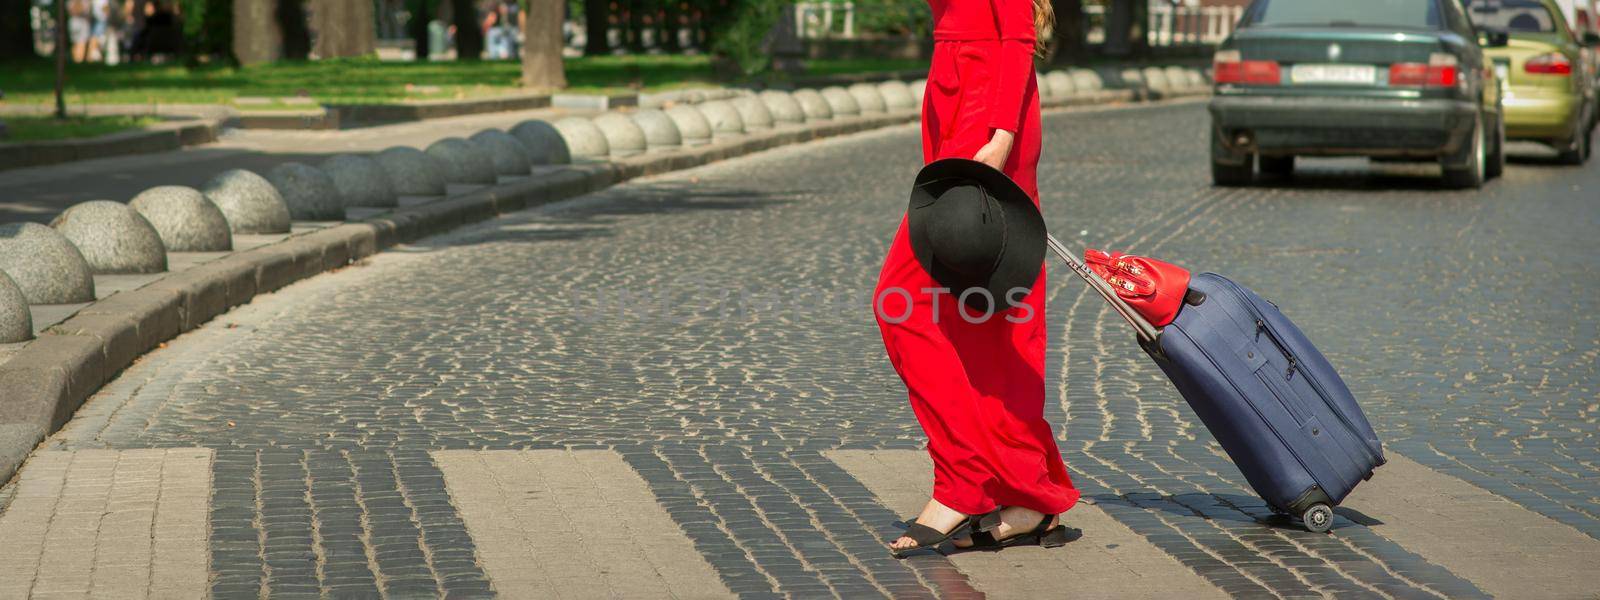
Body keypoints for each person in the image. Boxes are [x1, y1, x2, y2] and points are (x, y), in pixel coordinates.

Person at [874, 0, 1079, 556]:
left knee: (902, 303)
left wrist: (1002, 133)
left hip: (986, 111)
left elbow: (1015, 34)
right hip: (955, 94)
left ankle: (963, 483)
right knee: (982, 316)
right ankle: (1027, 496)